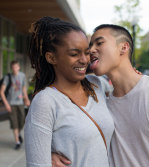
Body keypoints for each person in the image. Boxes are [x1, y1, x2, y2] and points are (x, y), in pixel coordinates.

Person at [53, 24, 149, 167]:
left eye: (99, 43)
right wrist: (49, 154)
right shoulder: (100, 104)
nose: (91, 50)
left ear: (123, 48)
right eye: (90, 45)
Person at [24, 16, 114, 167]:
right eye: (74, 54)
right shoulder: (45, 102)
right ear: (51, 57)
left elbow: (128, 97)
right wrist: (45, 157)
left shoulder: (97, 85)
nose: (84, 60)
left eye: (86, 52)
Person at [0, 60, 30, 150]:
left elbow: (23, 88)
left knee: (22, 121)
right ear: (11, 68)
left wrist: (26, 98)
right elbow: (1, 92)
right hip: (11, 103)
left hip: (20, 102)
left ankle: (18, 134)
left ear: (19, 67)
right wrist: (6, 104)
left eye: (16, 67)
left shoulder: (22, 76)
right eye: (13, 67)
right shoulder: (7, 77)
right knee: (14, 123)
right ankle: (17, 141)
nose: (15, 69)